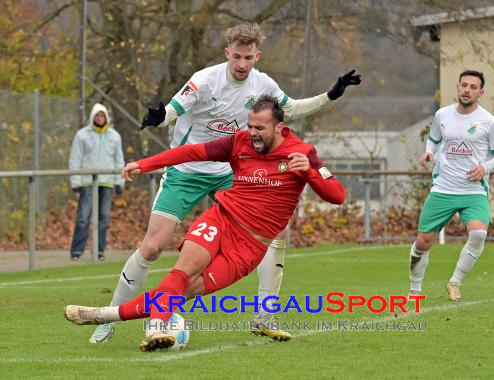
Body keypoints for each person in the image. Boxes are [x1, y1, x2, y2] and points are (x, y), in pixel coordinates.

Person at [89, 23, 360, 343]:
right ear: (226, 53)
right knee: (152, 246)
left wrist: (331, 95)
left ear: (257, 56)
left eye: (248, 57)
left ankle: (264, 315)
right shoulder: (204, 80)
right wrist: (159, 118)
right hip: (188, 171)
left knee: (277, 230)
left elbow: (291, 109)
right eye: (236, 57)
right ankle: (109, 319)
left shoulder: (264, 84)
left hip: (231, 171)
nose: (242, 64)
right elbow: (174, 110)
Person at [65, 95, 346, 352]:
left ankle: (103, 315)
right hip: (221, 220)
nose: (252, 133)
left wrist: (310, 173)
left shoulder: (302, 153)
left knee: (183, 291)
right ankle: (155, 328)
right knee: (183, 271)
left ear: (279, 127)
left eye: (260, 128)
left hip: (249, 248)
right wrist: (146, 164)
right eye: (250, 125)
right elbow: (191, 152)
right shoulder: (239, 142)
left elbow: (337, 195)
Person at [408, 70, 494, 301]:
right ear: (457, 87)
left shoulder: (489, 122)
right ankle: (415, 289)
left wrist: (485, 168)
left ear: (480, 92)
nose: (467, 90)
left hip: (473, 191)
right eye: (464, 85)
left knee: (478, 235)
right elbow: (433, 139)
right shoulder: (442, 115)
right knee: (423, 242)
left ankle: (454, 282)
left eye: (473, 87)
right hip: (443, 188)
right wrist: (428, 153)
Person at [69, 103, 125, 262]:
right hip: (88, 182)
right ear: (93, 117)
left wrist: (119, 182)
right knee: (83, 217)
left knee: (104, 217)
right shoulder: (82, 135)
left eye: (102, 116)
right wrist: (76, 182)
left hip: (106, 183)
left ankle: (99, 251)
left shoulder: (115, 136)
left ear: (106, 117)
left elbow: (119, 160)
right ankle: (77, 251)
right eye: (97, 115)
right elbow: (75, 159)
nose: (100, 118)